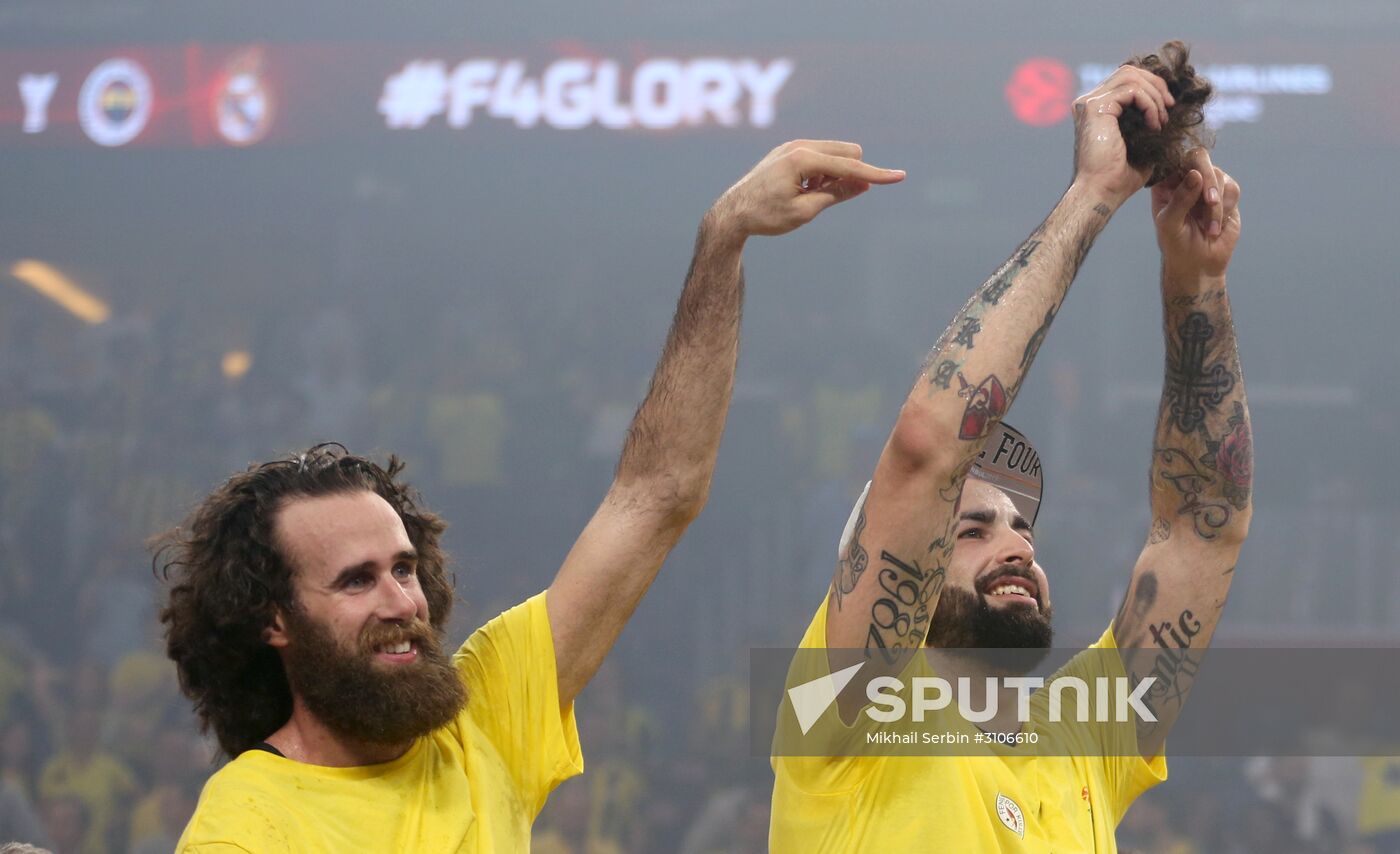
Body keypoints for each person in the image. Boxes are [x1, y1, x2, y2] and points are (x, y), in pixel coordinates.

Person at [158, 140, 905, 851]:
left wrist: (723, 240)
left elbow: (659, 492)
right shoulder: (246, 827)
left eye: (404, 568)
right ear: (273, 620)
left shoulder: (480, 719)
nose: (400, 602)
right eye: (356, 579)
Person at [770, 43, 1252, 851]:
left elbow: (1205, 522)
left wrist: (1196, 281)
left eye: (1022, 529)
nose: (1016, 545)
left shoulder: (1085, 739)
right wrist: (1093, 196)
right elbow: (929, 447)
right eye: (972, 528)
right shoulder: (847, 706)